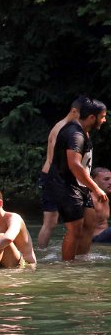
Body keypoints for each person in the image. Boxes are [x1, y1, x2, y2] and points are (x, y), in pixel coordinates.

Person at [47, 98, 108, 261]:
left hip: (80, 185)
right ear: (92, 118)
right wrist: (96, 188)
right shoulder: (75, 134)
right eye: (102, 116)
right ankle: (68, 266)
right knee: (74, 229)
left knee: (89, 224)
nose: (104, 120)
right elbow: (74, 165)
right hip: (65, 185)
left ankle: (82, 260)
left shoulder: (83, 131)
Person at [37, 96, 85, 248]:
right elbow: (57, 159)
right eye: (81, 115)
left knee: (53, 222)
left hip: (54, 177)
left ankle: (44, 252)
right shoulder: (64, 129)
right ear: (74, 111)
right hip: (54, 177)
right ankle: (41, 254)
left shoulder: (65, 127)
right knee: (51, 222)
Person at [89, 167, 111, 243]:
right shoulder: (89, 200)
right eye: (106, 179)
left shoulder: (106, 199)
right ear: (92, 180)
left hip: (106, 237)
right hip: (94, 239)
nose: (110, 182)